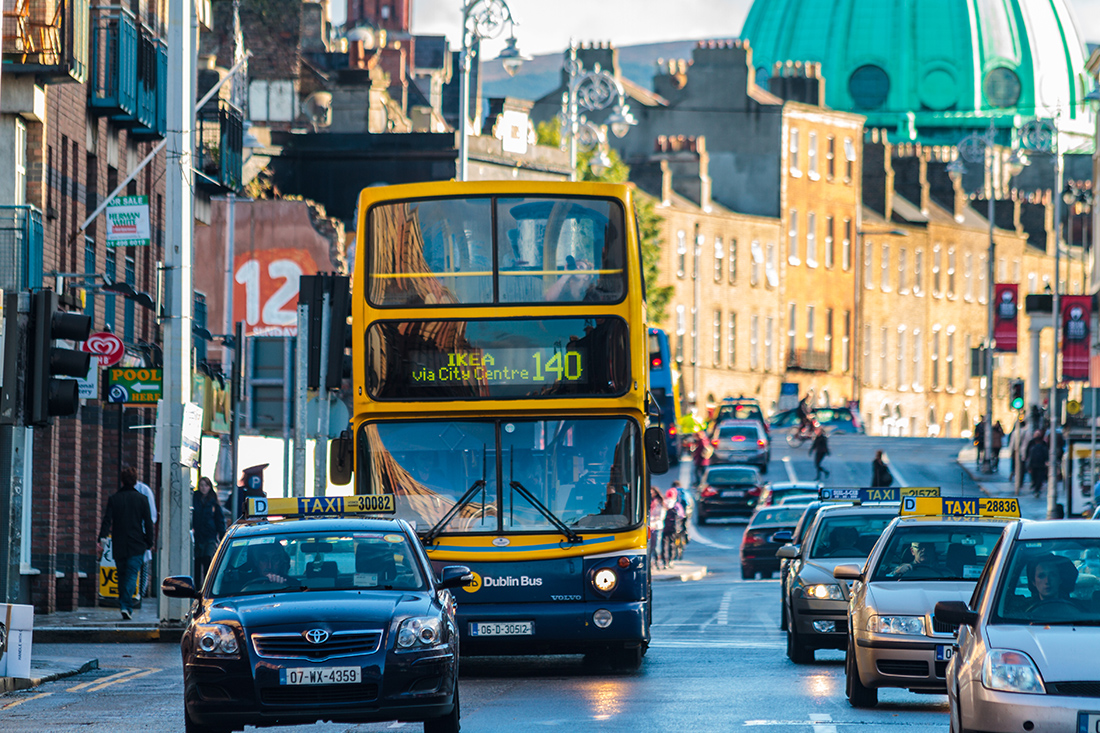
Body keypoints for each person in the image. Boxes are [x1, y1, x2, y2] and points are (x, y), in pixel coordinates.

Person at [98, 466, 155, 620]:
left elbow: (107, 520)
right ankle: (126, 606)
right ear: (135, 481)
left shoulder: (114, 499)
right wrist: (149, 541)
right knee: (131, 575)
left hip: (119, 543)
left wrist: (101, 538)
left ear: (122, 480)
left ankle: (124, 604)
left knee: (122, 575)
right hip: (137, 543)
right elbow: (148, 523)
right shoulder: (142, 500)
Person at [193, 476, 226, 587]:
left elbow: (219, 519)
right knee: (197, 561)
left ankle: (206, 586)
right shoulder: (195, 498)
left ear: (209, 487)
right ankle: (197, 586)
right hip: (198, 535)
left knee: (207, 559)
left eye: (206, 485)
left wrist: (222, 535)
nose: (203, 488)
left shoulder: (213, 502)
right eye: (201, 485)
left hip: (209, 535)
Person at [134, 478, 158, 598]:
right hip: (139, 535)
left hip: (140, 535)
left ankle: (139, 592)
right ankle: (138, 593)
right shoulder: (144, 491)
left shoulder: (144, 490)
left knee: (141, 565)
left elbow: (151, 517)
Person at [660, 488, 686, 568]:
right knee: (672, 544)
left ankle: (664, 560)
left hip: (663, 527)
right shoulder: (676, 505)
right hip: (673, 528)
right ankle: (671, 560)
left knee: (663, 544)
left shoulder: (663, 503)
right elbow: (682, 515)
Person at [648, 486, 666, 570]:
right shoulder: (648, 502)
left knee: (656, 546)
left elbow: (661, 515)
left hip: (657, 526)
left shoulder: (659, 502)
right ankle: (651, 562)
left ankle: (658, 561)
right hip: (649, 527)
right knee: (649, 546)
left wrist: (654, 522)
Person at [1026, 433, 1049, 498]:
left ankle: (1036, 488)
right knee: (1039, 478)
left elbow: (1029, 455)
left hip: (1034, 464)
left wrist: (1028, 465)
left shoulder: (1032, 445)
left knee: (1035, 477)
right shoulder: (1043, 445)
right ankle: (1037, 489)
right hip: (1041, 464)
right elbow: (1046, 454)